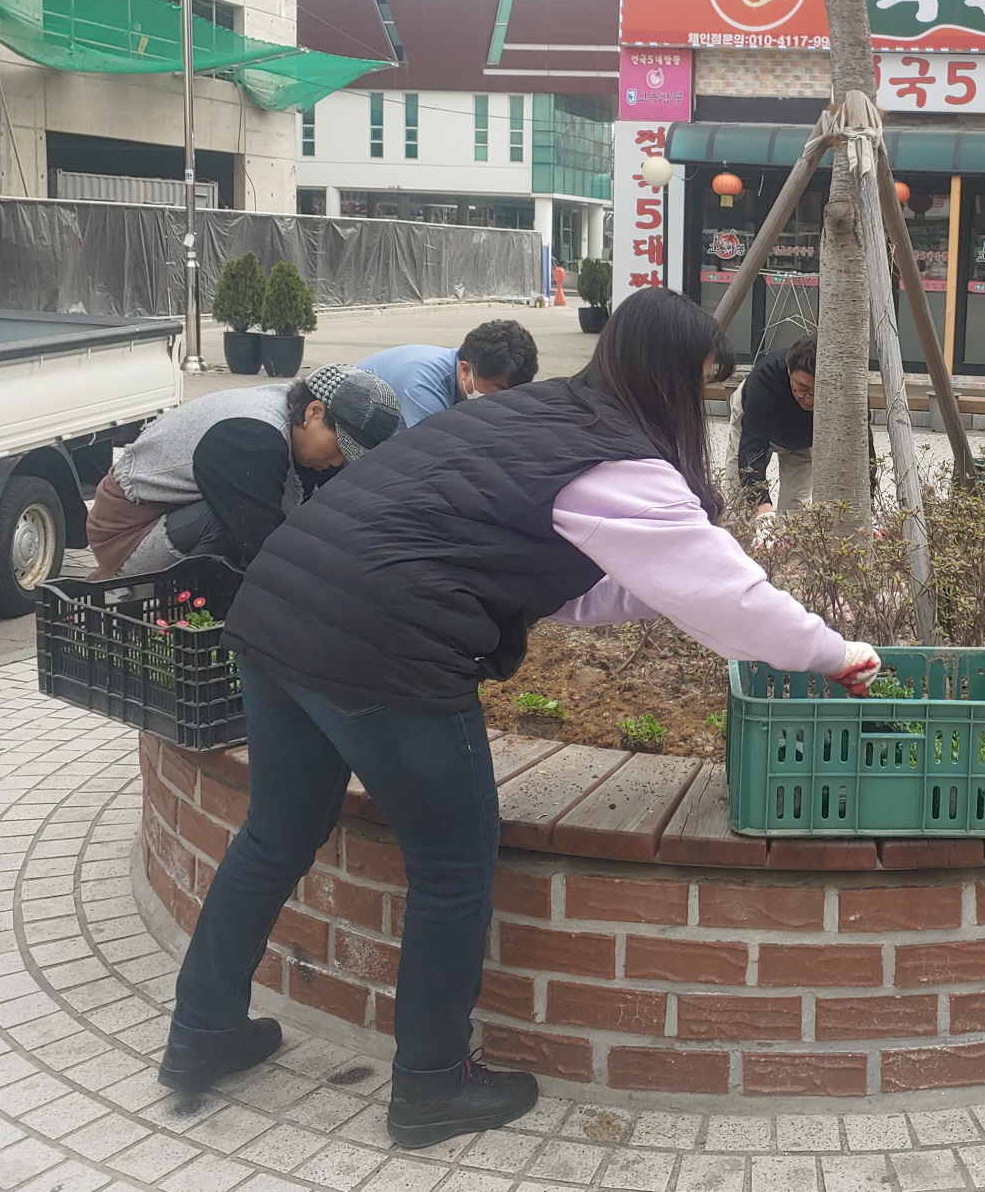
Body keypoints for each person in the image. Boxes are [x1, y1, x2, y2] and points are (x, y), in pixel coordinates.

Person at [157, 289, 881, 1146]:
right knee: (455, 864)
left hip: (281, 610)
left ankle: (201, 1034)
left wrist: (665, 590)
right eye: (704, 384)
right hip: (382, 646)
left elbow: (575, 582)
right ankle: (431, 1085)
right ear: (673, 376)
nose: (707, 401)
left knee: (274, 835)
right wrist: (837, 655)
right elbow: (728, 595)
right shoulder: (618, 461)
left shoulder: (536, 414)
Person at [85, 364, 402, 580]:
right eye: (340, 449)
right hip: (126, 535)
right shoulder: (253, 437)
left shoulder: (293, 421)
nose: (337, 463)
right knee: (244, 523)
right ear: (314, 412)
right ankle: (187, 601)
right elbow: (263, 543)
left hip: (175, 516)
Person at [356, 319, 539, 427]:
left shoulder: (467, 366)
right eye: (498, 390)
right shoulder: (424, 386)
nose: (504, 401)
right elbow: (434, 452)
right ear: (466, 370)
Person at [730, 333, 817, 515]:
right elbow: (752, 447)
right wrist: (763, 510)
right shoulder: (765, 378)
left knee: (795, 512)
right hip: (756, 421)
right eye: (802, 389)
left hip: (803, 441)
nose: (809, 400)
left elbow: (863, 448)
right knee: (737, 502)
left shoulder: (846, 388)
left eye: (818, 392)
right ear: (789, 372)